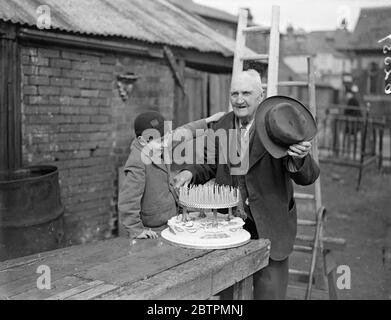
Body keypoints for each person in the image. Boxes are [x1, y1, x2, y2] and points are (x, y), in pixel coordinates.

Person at [173, 70, 320, 299]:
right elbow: (210, 162)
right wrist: (188, 172)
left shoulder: (277, 123)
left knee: (269, 293)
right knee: (228, 296)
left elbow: (307, 177)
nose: (239, 99)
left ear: (260, 96)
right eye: (234, 93)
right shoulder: (223, 124)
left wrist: (299, 157)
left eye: (246, 93)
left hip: (270, 223)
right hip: (229, 224)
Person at [118, 110, 225, 239]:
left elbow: (183, 132)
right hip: (153, 228)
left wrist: (207, 121)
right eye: (160, 141)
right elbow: (128, 200)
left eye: (166, 138)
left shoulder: (162, 143)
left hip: (171, 219)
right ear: (142, 141)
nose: (165, 144)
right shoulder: (137, 162)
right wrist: (136, 229)